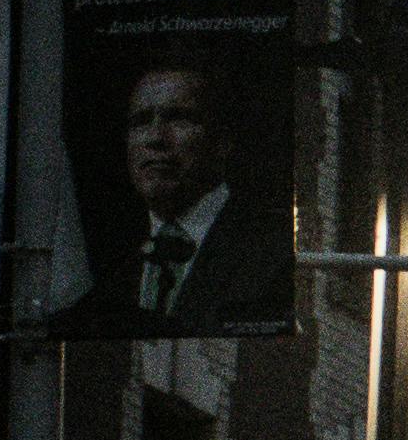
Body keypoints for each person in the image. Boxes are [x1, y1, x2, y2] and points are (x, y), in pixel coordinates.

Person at [93, 60, 294, 327]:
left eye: (179, 118)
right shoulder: (106, 268)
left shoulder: (273, 251)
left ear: (222, 140)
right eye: (141, 122)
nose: (155, 138)